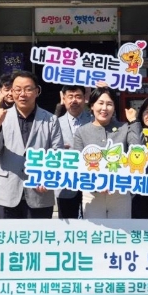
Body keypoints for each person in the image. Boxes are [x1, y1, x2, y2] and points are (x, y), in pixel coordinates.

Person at [0, 70, 64, 295]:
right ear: (10, 92)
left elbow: (57, 154)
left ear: (37, 91)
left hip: (38, 192)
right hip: (7, 191)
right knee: (8, 250)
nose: (22, 93)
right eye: (17, 89)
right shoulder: (1, 115)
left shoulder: (50, 119)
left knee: (39, 248)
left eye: (28, 88)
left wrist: (48, 177)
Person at [73, 86, 141, 295]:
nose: (104, 108)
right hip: (92, 196)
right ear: (91, 106)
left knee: (120, 244)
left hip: (120, 195)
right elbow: (78, 165)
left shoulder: (123, 128)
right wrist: (94, 183)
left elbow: (137, 151)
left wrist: (134, 123)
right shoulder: (82, 132)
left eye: (109, 103)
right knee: (95, 244)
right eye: (100, 103)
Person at [56, 85, 92, 219]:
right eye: (70, 97)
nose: (74, 101)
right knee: (68, 224)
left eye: (78, 96)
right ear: (63, 99)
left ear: (85, 98)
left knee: (92, 223)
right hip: (65, 183)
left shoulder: (94, 120)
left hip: (90, 182)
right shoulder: (54, 123)